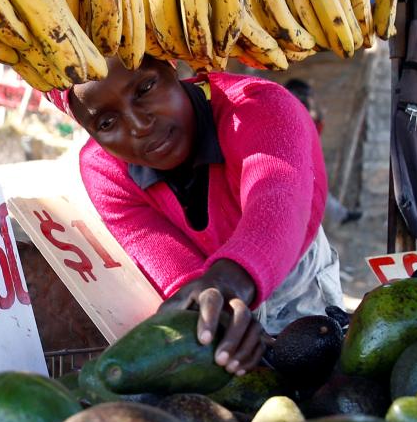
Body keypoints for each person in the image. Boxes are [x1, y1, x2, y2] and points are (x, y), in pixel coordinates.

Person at [50, 56, 343, 376]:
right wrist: (207, 316)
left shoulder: (259, 107)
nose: (139, 125)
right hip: (211, 291)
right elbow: (171, 266)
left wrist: (229, 282)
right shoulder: (104, 169)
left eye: (145, 88)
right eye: (106, 123)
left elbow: (277, 201)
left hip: (294, 277)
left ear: (171, 68)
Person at [282, 79, 362, 226]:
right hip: (287, 158)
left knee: (316, 189)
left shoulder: (306, 109)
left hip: (301, 156)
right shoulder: (287, 108)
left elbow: (315, 131)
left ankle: (339, 215)